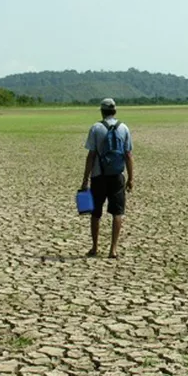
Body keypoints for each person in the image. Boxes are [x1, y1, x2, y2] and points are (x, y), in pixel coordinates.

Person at [80, 98, 134, 258]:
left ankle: (95, 247)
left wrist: (85, 179)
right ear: (115, 111)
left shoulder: (96, 128)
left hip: (98, 176)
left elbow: (91, 155)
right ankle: (113, 249)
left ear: (102, 112)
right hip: (117, 176)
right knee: (118, 212)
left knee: (95, 213)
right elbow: (128, 155)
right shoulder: (124, 128)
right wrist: (131, 178)